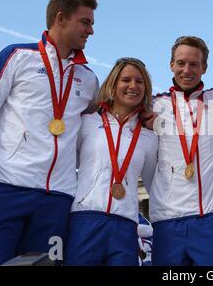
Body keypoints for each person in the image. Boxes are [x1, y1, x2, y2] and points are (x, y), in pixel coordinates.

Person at [0, 0, 99, 265]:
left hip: (57, 198)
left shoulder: (88, 78)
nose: (91, 31)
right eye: (86, 22)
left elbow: (104, 116)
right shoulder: (17, 57)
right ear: (61, 18)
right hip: (6, 188)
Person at [149, 36, 213, 266]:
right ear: (171, 65)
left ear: (204, 68)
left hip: (211, 218)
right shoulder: (151, 105)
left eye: (193, 64)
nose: (186, 70)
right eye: (181, 63)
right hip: (168, 220)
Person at [64, 58, 157, 266]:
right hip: (84, 220)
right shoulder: (86, 123)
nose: (133, 86)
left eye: (139, 81)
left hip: (125, 225)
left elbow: (155, 188)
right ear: (113, 85)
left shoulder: (149, 137)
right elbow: (65, 165)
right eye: (126, 80)